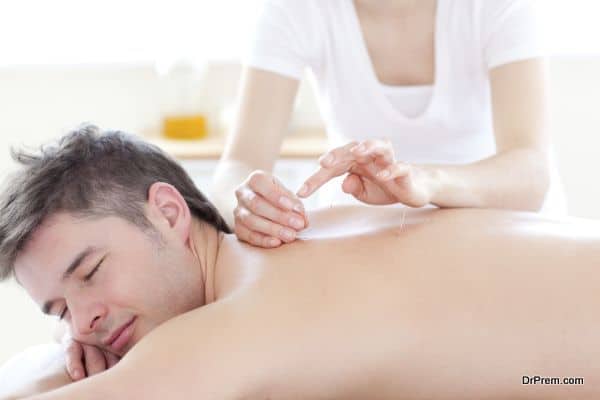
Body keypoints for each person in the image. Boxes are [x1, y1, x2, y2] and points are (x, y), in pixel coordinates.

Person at [1, 126, 598, 400]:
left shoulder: (236, 325)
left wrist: (62, 366)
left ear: (168, 212)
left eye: (90, 273)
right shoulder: (322, 229)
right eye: (59, 310)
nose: (83, 324)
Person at [211, 0, 566, 250]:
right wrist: (248, 206)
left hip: (500, 234)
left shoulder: (499, 7)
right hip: (366, 243)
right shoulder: (294, 9)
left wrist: (426, 181)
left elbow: (531, 171)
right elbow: (237, 167)